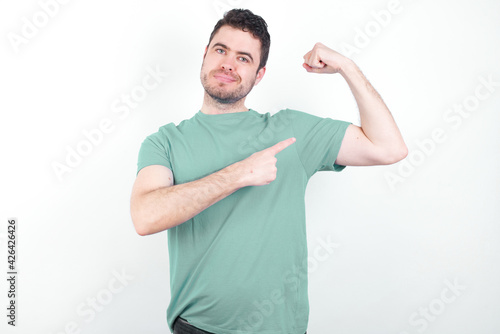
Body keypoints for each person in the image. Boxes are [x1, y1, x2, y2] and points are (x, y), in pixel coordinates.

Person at [130, 8, 407, 334]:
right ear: (205, 55)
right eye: (221, 50)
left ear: (259, 74)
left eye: (244, 58)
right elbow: (145, 217)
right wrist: (237, 175)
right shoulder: (164, 142)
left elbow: (389, 148)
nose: (228, 64)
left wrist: (347, 67)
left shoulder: (291, 130)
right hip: (198, 328)